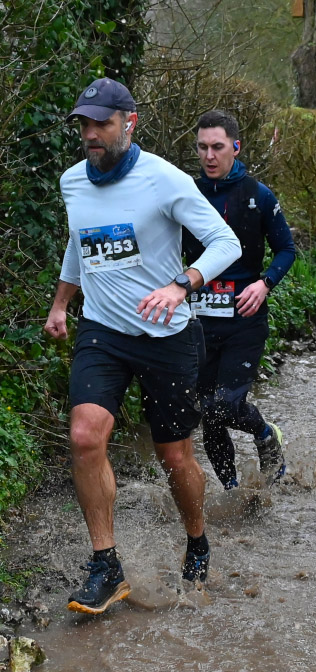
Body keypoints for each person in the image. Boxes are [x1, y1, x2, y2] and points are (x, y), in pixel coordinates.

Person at [44, 78, 241, 613]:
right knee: (85, 436)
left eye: (102, 124)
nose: (91, 134)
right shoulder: (72, 182)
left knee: (173, 455)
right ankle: (106, 565)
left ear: (129, 124)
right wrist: (61, 304)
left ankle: (196, 538)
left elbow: (226, 242)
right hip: (103, 332)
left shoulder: (165, 180)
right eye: (84, 125)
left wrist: (181, 285)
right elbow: (79, 244)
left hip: (167, 336)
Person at [182, 110, 295, 491]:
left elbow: (286, 250)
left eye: (217, 147)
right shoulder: (187, 195)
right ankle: (233, 491)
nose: (209, 156)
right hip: (200, 322)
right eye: (202, 148)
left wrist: (264, 284)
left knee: (225, 405)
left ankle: (264, 433)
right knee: (208, 415)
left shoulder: (258, 195)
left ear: (236, 147)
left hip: (245, 319)